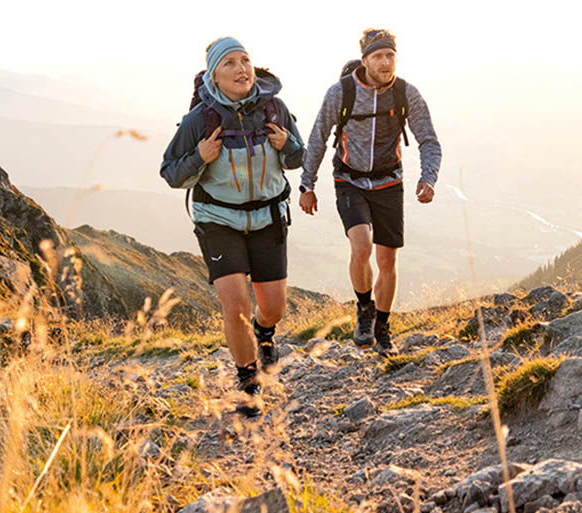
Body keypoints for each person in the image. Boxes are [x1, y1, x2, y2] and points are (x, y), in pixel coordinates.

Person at [161, 37, 305, 415]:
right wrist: (199, 157)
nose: (242, 69)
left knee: (272, 308)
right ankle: (247, 382)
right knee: (236, 304)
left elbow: (298, 157)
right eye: (230, 63)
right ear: (214, 75)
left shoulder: (275, 108)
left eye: (246, 61)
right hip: (218, 219)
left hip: (268, 216)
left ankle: (265, 332)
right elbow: (170, 172)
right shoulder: (200, 120)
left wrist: (287, 144)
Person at [299, 28, 441, 356]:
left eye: (390, 55)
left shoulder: (406, 93)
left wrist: (429, 178)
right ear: (364, 60)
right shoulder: (342, 92)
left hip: (389, 181)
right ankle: (365, 309)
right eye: (378, 56)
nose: (385, 62)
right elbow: (318, 137)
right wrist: (308, 184)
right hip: (349, 180)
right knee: (361, 247)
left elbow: (429, 140)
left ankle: (383, 326)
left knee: (387, 258)